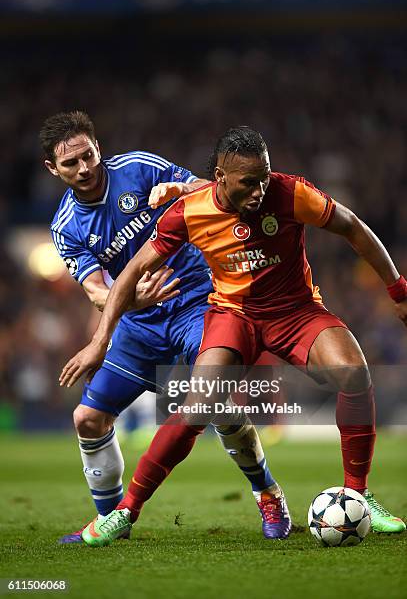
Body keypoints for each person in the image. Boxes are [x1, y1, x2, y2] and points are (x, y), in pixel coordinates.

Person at [60, 126, 407, 546]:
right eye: (248, 182)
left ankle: (359, 493)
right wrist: (100, 341)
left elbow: (352, 226)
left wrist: (397, 289)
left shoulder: (290, 192)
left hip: (294, 311)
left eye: (264, 176)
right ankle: (125, 511)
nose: (260, 190)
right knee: (198, 405)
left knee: (354, 372)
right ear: (221, 177)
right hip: (233, 314)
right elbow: (130, 272)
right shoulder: (190, 212)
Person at [43, 113, 290, 543]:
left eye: (88, 155)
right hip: (138, 325)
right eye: (70, 164)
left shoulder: (138, 168)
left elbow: (213, 193)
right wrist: (132, 300)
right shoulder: (66, 227)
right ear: (53, 169)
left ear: (98, 146)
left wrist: (178, 188)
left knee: (214, 400)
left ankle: (267, 492)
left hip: (197, 301)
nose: (83, 168)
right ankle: (111, 521)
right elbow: (97, 293)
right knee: (87, 418)